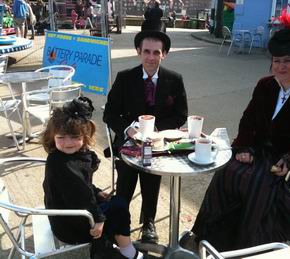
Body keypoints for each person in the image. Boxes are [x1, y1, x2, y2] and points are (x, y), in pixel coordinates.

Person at [187, 8, 290, 252]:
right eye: (277, 61)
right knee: (226, 172)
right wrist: (243, 147)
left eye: (287, 60)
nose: (281, 66)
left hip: (289, 159)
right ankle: (209, 235)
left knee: (256, 182)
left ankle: (246, 248)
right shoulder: (265, 86)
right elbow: (248, 120)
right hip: (258, 150)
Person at [103, 19, 188, 244]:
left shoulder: (174, 79)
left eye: (156, 52)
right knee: (126, 182)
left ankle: (149, 220)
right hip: (129, 143)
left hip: (157, 143)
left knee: (151, 176)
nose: (151, 57)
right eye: (146, 51)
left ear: (165, 54)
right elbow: (109, 114)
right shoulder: (124, 78)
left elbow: (181, 115)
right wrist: (129, 129)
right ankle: (120, 222)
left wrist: (157, 131)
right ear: (139, 52)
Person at [42, 97, 143, 259]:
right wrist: (99, 220)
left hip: (63, 214)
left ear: (85, 134)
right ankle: (128, 251)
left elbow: (80, 185)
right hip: (70, 224)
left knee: (113, 202)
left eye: (75, 137)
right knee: (119, 206)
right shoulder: (64, 164)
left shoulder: (61, 157)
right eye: (61, 137)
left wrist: (96, 192)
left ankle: (116, 242)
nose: (68, 143)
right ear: (52, 136)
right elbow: (81, 195)